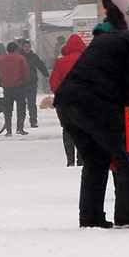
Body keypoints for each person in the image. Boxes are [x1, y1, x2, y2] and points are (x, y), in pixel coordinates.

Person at [54, 0, 129, 228]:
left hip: (67, 102)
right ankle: (128, 216)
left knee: (95, 159)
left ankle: (90, 217)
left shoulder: (110, 39)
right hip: (94, 104)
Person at [49, 34, 86, 167]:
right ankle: (81, 160)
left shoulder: (60, 62)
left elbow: (53, 82)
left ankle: (70, 160)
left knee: (67, 129)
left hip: (64, 102)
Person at [0, 42, 30, 136]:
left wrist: (1, 83)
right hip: (19, 87)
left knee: (7, 110)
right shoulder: (21, 58)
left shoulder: (0, 59)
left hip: (7, 88)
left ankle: (9, 130)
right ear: (16, 49)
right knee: (21, 108)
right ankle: (20, 128)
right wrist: (24, 82)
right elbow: (25, 72)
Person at [20, 39, 49, 129]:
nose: (27, 48)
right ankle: (21, 122)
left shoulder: (34, 56)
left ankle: (33, 121)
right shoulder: (19, 57)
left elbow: (40, 65)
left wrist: (46, 75)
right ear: (22, 47)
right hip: (21, 83)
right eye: (25, 47)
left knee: (31, 103)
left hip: (32, 83)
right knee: (21, 104)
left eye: (28, 47)